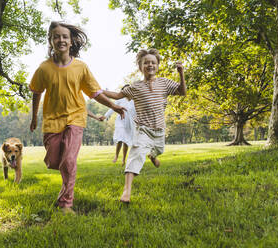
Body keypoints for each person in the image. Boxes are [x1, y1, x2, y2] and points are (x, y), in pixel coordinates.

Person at [29, 21, 126, 214]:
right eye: (56, 36)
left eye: (64, 36)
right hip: (52, 120)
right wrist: (34, 117)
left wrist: (113, 105)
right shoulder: (44, 68)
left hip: (75, 118)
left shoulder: (81, 67)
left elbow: (95, 93)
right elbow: (36, 92)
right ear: (51, 41)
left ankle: (66, 203)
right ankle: (64, 185)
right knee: (55, 161)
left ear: (71, 41)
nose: (61, 40)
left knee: (69, 161)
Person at [103, 48, 186, 203]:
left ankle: (153, 155)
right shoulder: (135, 87)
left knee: (159, 150)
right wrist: (99, 91)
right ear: (140, 67)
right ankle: (126, 192)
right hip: (143, 130)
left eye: (153, 62)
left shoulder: (164, 83)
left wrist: (181, 73)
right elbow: (117, 95)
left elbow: (182, 92)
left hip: (159, 130)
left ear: (157, 65)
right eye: (146, 63)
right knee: (135, 155)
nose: (150, 65)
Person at [103, 97, 136, 166]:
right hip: (120, 121)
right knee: (120, 138)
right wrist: (105, 116)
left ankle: (124, 159)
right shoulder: (120, 99)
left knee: (126, 141)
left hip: (129, 123)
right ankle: (116, 155)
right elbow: (112, 108)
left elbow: (136, 112)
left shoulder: (133, 100)